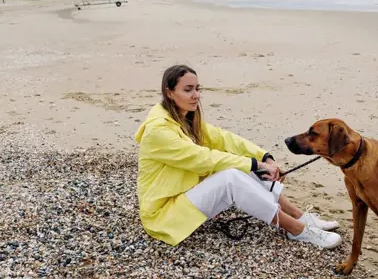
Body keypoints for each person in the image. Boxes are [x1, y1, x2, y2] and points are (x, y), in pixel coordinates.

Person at [134, 65, 342, 249]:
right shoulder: (158, 131)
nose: (196, 95)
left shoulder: (183, 119)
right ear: (169, 93)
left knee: (241, 165)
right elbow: (202, 158)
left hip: (183, 195)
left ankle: (299, 216)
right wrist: (253, 164)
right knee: (231, 176)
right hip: (163, 216)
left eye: (198, 89)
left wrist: (264, 157)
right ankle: (297, 229)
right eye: (188, 90)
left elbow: (226, 139)